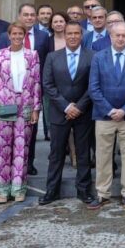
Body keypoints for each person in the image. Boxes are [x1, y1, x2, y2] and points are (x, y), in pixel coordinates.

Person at [88, 22, 125, 209]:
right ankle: (103, 193)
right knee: (103, 155)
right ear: (110, 36)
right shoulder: (98, 58)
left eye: (124, 36)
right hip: (104, 116)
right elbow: (93, 88)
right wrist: (110, 110)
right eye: (117, 35)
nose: (120, 38)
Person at [40, 21, 95, 205]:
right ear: (64, 35)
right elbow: (47, 85)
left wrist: (79, 106)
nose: (72, 36)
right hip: (59, 112)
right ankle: (52, 191)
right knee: (56, 154)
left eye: (76, 33)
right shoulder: (52, 57)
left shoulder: (91, 56)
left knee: (83, 153)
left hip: (83, 112)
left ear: (81, 36)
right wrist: (66, 106)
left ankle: (84, 190)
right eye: (69, 33)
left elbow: (93, 85)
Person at [0, 23, 41, 203]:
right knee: (3, 148)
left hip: (25, 104)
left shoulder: (32, 55)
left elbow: (36, 83)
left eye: (20, 33)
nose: (17, 36)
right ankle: (2, 189)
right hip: (4, 104)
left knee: (21, 148)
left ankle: (18, 188)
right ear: (9, 36)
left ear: (25, 35)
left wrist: (36, 109)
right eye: (14, 33)